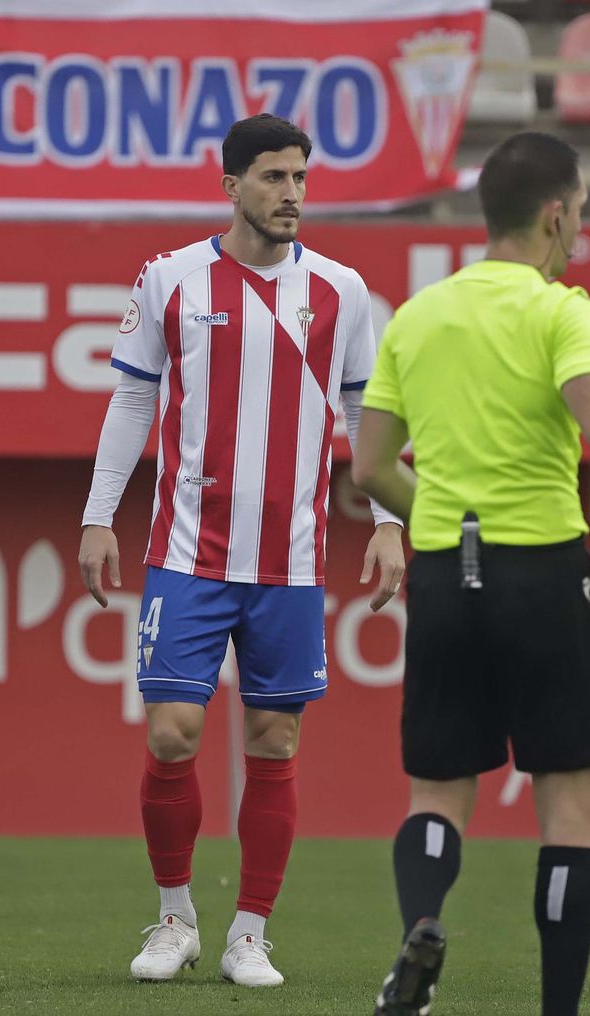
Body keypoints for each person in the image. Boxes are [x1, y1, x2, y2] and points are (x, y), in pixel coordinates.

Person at [352, 131, 590, 1016]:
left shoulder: (417, 314)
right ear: (555, 214)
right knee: (570, 812)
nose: (580, 226)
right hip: (543, 570)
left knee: (437, 789)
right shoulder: (561, 310)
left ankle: (422, 926)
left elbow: (367, 467)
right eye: (580, 210)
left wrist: (433, 507)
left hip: (444, 568)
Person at [77, 112, 405, 989]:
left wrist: (386, 523)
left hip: (289, 563)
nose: (290, 192)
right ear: (230, 186)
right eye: (271, 177)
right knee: (175, 734)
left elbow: (367, 426)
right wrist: (98, 514)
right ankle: (176, 918)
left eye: (299, 176)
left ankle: (249, 933)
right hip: (186, 552)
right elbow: (133, 402)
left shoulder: (342, 290)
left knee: (273, 736)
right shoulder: (172, 278)